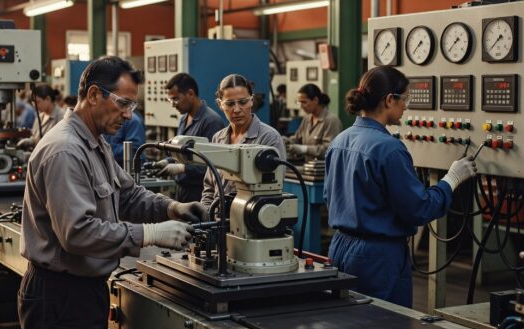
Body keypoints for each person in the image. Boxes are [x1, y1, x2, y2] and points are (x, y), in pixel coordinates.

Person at [19, 56, 207, 329]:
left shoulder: (95, 142)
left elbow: (128, 195)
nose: (129, 115)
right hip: (61, 294)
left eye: (133, 105)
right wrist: (150, 234)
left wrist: (172, 208)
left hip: (84, 289)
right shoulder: (65, 151)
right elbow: (77, 233)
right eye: (123, 103)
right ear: (94, 95)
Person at [323, 66, 477, 308]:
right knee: (386, 325)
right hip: (378, 257)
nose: (406, 106)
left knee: (347, 321)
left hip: (340, 248)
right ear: (389, 100)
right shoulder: (389, 148)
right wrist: (452, 179)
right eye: (404, 99)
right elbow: (419, 209)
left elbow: (329, 197)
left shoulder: (339, 141)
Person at [200, 74, 286, 209]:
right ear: (220, 104)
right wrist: (205, 213)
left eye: (242, 102)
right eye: (230, 104)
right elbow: (210, 187)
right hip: (217, 217)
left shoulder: (268, 138)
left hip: (250, 216)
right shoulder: (218, 138)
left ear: (252, 101)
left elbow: (271, 190)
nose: (236, 109)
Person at [154, 73, 225, 202]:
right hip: (182, 189)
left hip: (200, 192)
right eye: (170, 100)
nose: (173, 104)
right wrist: (168, 161)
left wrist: (182, 168)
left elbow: (214, 165)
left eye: (176, 99)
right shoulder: (183, 119)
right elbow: (183, 154)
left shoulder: (211, 122)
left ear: (191, 94)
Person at [285, 83, 343, 160]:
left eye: (304, 102)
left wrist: (304, 149)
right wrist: (286, 141)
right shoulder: (307, 119)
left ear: (315, 100)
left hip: (324, 166)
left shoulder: (331, 121)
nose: (301, 106)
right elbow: (297, 139)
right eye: (299, 102)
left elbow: (330, 150)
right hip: (308, 165)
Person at [17, 84, 66, 149]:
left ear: (48, 99)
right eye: (33, 103)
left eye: (37, 102)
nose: (35, 106)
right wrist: (31, 141)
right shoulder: (39, 117)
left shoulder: (62, 117)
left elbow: (60, 143)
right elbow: (35, 136)